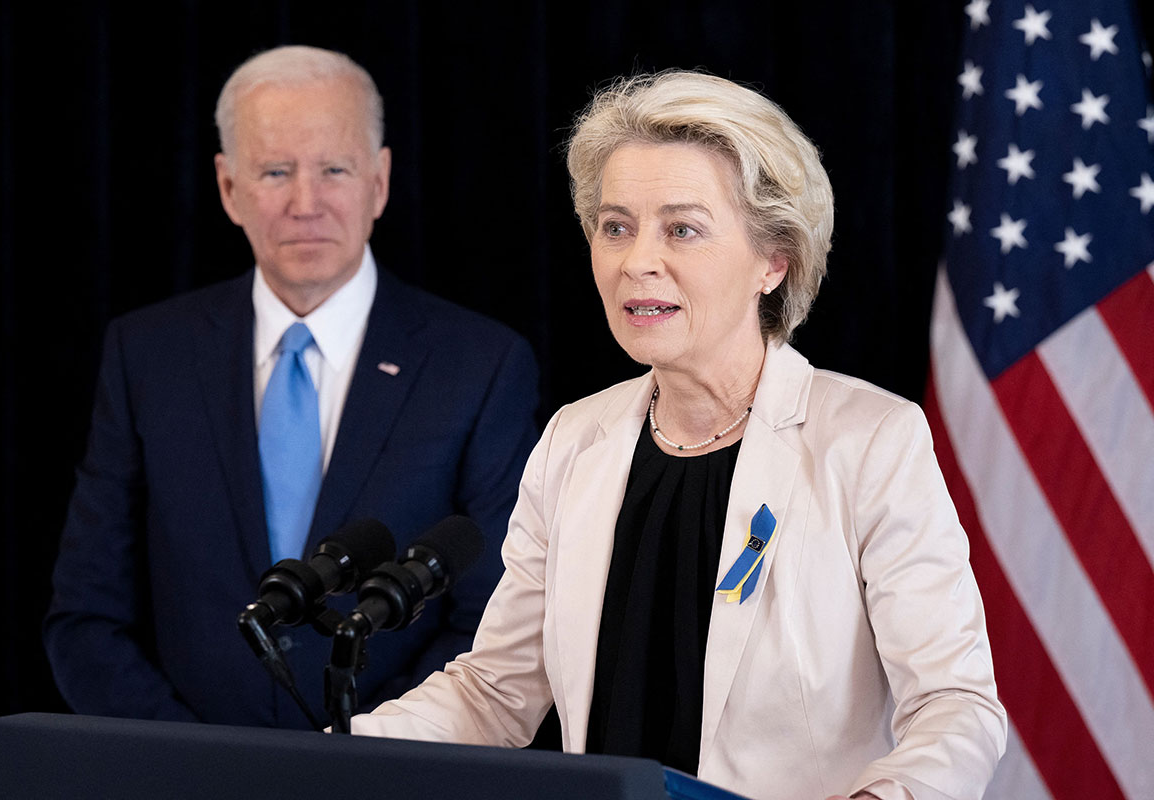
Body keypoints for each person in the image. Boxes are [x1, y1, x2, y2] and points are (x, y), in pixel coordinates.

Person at [347, 72, 1006, 800]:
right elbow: (496, 692)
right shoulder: (575, 440)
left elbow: (956, 706)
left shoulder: (871, 441)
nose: (637, 261)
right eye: (616, 226)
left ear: (773, 259)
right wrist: (339, 759)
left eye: (682, 229)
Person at [43, 45, 539, 730]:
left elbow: (494, 624)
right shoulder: (147, 355)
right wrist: (194, 771)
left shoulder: (480, 365)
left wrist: (358, 755)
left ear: (380, 181)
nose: (306, 203)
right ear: (227, 188)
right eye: (276, 171)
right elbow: (87, 617)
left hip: (390, 778)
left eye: (334, 169)